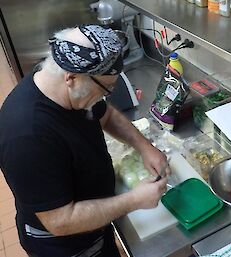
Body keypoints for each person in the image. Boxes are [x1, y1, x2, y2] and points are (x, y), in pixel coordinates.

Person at [0, 24, 169, 257]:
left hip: (95, 225)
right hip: (65, 246)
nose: (106, 96)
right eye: (106, 88)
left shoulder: (62, 86)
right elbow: (59, 221)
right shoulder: (28, 137)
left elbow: (106, 114)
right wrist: (134, 200)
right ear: (71, 77)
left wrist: (144, 146)